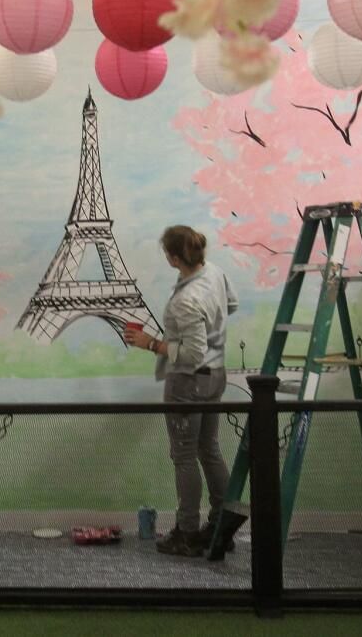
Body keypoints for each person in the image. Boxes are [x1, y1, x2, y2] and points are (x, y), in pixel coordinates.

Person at [125, 226, 238, 557]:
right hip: (216, 375)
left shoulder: (184, 301)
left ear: (174, 258)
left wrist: (153, 344)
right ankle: (221, 526)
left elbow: (192, 354)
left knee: (185, 456)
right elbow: (230, 304)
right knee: (210, 450)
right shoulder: (215, 272)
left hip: (189, 381)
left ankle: (187, 532)